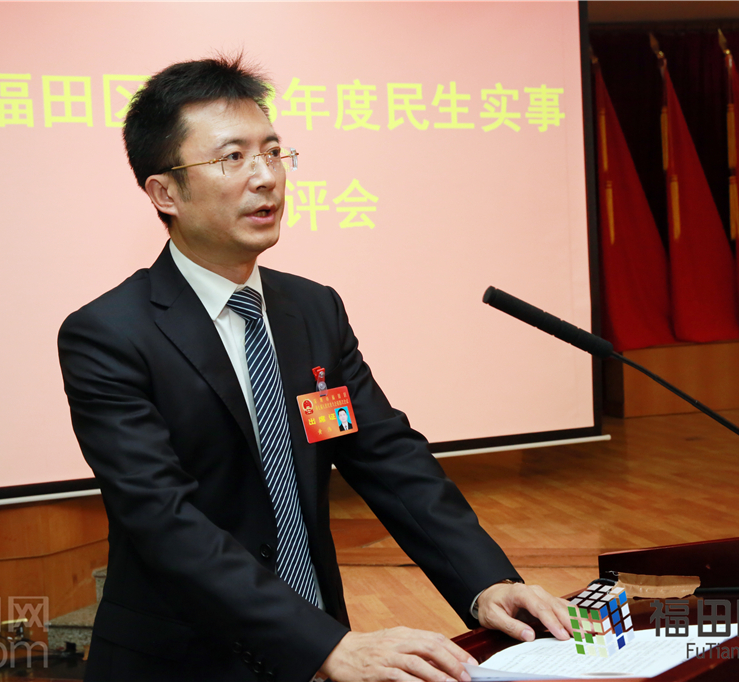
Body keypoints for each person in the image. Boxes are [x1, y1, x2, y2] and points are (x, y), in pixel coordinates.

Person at [58, 55, 572, 682]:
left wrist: (486, 582)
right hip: (188, 662)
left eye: (273, 152)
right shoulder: (109, 334)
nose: (265, 177)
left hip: (320, 643)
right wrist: (324, 646)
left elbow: (387, 456)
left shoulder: (311, 309)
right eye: (232, 158)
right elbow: (165, 520)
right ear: (165, 192)